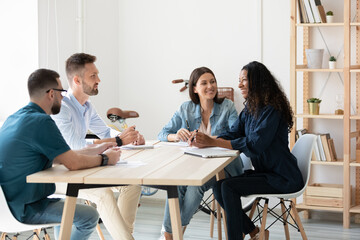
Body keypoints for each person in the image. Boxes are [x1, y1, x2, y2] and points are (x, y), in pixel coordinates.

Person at [0, 68, 121, 240]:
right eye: (61, 92)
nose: (64, 97)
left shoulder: (15, 118)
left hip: (7, 205)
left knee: (67, 211)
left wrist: (98, 148)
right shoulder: (41, 121)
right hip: (25, 208)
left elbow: (62, 156)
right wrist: (106, 159)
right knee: (89, 216)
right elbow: (73, 163)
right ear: (50, 94)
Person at [189, 61, 304, 240]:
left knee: (227, 187)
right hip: (266, 173)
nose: (239, 84)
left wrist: (212, 141)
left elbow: (254, 145)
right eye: (239, 80)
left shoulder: (272, 110)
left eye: (244, 80)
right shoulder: (251, 108)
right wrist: (205, 141)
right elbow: (233, 132)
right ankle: (254, 232)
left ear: (257, 81)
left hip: (283, 177)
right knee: (219, 187)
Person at [51, 53, 143, 240]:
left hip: (81, 168)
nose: (99, 80)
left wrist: (130, 137)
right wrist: (118, 141)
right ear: (77, 80)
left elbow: (106, 133)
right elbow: (75, 147)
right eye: (93, 76)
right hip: (59, 172)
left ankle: (124, 237)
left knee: (132, 184)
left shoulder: (86, 106)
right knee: (104, 194)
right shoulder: (62, 108)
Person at [158, 67, 243, 240]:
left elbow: (237, 135)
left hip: (223, 168)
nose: (210, 86)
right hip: (194, 165)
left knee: (195, 187)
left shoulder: (227, 106)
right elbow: (162, 134)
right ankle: (169, 234)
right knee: (175, 185)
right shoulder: (186, 108)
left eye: (212, 81)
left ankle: (173, 234)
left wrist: (208, 139)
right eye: (204, 83)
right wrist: (177, 135)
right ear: (195, 88)